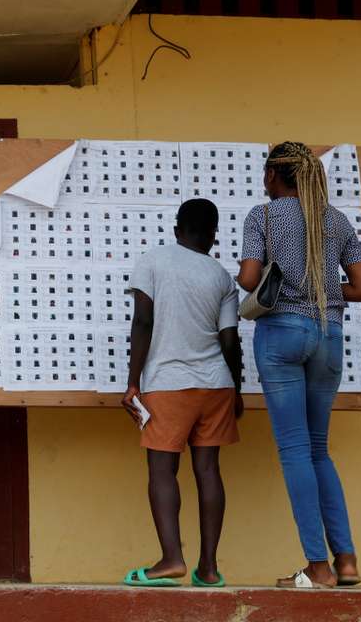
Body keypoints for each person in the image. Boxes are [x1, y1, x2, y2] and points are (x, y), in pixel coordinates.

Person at [237, 141, 361, 589]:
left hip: (281, 334)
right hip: (328, 337)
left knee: (295, 451)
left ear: (276, 176)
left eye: (266, 174)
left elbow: (248, 278)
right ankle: (348, 560)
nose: (264, 182)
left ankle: (318, 567)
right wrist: (324, 288)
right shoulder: (336, 221)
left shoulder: (264, 215)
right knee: (319, 450)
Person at [120, 199, 243, 588]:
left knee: (162, 471)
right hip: (216, 385)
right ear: (213, 234)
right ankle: (208, 568)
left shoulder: (154, 260)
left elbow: (143, 320)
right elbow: (229, 341)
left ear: (177, 230)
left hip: (168, 384)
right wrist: (236, 390)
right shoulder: (222, 276)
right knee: (208, 471)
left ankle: (172, 559)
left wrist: (133, 381)